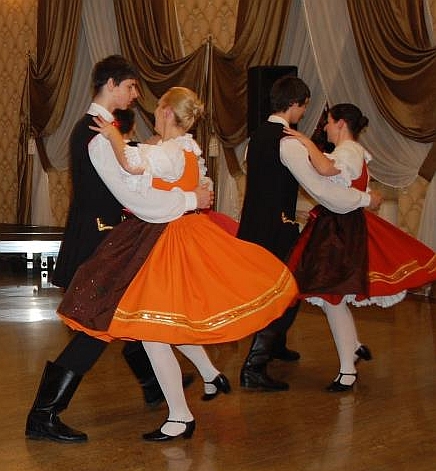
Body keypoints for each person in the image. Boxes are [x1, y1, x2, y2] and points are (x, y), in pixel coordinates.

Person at [56, 86, 299, 441]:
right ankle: (198, 390)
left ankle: (181, 416)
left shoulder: (168, 152)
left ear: (168, 111)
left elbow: (132, 165)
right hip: (182, 234)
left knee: (155, 331)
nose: (153, 113)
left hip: (167, 241)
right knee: (167, 326)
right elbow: (198, 186)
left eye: (158, 109)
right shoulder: (187, 149)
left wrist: (113, 136)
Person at [25, 56, 209, 443]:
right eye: (130, 87)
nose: (135, 94)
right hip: (99, 243)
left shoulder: (104, 131)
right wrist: (192, 199)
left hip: (106, 240)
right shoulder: (97, 133)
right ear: (111, 84)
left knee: (127, 318)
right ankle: (44, 414)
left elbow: (134, 173)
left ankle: (156, 387)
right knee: (96, 330)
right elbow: (130, 196)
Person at [237, 76, 383, 392]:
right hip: (278, 228)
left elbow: (262, 180)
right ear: (294, 104)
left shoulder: (255, 138)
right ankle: (254, 367)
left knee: (288, 291)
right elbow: (319, 187)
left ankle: (275, 347)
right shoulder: (288, 143)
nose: (305, 113)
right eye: (304, 106)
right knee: (287, 294)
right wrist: (365, 199)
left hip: (253, 225)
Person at [286, 103, 436, 391]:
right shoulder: (350, 152)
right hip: (337, 227)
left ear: (341, 124)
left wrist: (303, 140)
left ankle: (347, 370)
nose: (325, 128)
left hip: (341, 231)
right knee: (331, 296)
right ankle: (353, 348)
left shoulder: (349, 152)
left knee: (332, 297)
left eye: (329, 122)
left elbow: (326, 169)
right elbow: (344, 185)